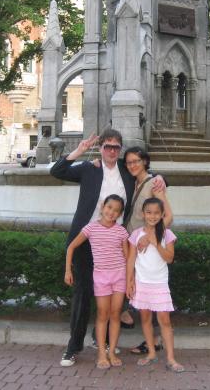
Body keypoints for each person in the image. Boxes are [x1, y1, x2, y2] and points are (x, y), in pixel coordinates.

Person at [51, 129, 166, 367]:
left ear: (120, 150)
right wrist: (80, 150)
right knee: (83, 293)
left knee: (115, 292)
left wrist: (161, 178)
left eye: (116, 147)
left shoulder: (126, 170)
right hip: (86, 238)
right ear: (101, 148)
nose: (112, 151)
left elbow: (145, 172)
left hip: (114, 242)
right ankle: (73, 347)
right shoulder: (89, 168)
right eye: (107, 147)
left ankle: (101, 341)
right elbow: (57, 171)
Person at [65, 194, 130, 369]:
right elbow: (71, 246)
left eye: (116, 210)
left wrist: (131, 280)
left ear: (120, 214)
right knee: (102, 314)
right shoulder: (91, 228)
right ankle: (101, 353)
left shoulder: (122, 231)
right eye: (109, 208)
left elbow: (127, 257)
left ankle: (111, 351)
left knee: (115, 314)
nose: (111, 212)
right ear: (102, 206)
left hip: (120, 276)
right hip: (101, 277)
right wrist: (68, 270)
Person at [121, 147, 174, 355]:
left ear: (145, 161)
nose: (132, 165)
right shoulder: (133, 182)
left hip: (146, 247)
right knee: (138, 291)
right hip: (133, 245)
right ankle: (148, 337)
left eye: (136, 161)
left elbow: (168, 216)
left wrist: (149, 236)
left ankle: (154, 341)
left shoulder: (154, 183)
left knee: (151, 297)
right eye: (129, 162)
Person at [127, 197, 184, 372]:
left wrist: (155, 242)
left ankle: (171, 359)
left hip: (159, 284)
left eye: (156, 213)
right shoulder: (136, 234)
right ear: (143, 214)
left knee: (164, 321)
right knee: (145, 318)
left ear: (162, 215)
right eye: (149, 212)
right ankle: (151, 353)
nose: (152, 216)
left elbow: (170, 258)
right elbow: (131, 259)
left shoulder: (167, 234)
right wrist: (129, 281)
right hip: (141, 283)